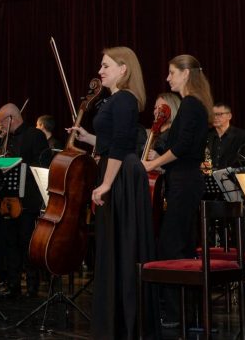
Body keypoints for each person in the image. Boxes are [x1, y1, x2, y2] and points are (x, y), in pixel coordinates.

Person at [70, 46, 157, 338]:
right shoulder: (117, 99)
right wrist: (88, 138)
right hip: (118, 170)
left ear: (123, 69)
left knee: (123, 247)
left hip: (120, 176)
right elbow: (111, 142)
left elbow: (121, 145)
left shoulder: (124, 99)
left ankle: (124, 325)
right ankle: (118, 322)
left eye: (106, 65)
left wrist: (106, 183)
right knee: (117, 246)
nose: (100, 71)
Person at [143, 54, 213, 328]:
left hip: (185, 183)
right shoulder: (193, 104)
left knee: (172, 246)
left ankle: (175, 315)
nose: (167, 77)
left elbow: (182, 147)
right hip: (183, 180)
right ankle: (186, 314)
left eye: (172, 72)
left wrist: (152, 164)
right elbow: (182, 149)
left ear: (186, 74)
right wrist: (162, 166)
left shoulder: (191, 104)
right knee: (180, 246)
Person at [0, 103, 48, 299]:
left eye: (1, 122)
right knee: (9, 243)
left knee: (27, 243)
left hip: (27, 199)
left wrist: (17, 164)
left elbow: (42, 164)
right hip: (8, 198)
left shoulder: (35, 135)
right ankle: (13, 285)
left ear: (11, 118)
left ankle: (32, 286)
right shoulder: (5, 140)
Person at [205, 102, 245, 170]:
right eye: (213, 114)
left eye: (219, 114)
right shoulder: (206, 135)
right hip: (209, 175)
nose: (215, 117)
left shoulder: (243, 135)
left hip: (233, 175)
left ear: (229, 116)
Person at [146, 92, 181, 160]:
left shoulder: (176, 132)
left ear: (172, 108)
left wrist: (158, 158)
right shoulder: (155, 133)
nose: (156, 111)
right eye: (155, 108)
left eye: (161, 107)